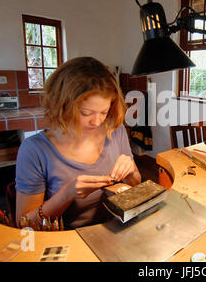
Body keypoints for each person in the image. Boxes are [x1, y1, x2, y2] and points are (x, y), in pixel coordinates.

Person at [15, 57, 141, 230]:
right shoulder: (34, 150)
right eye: (86, 113)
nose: (97, 121)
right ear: (62, 106)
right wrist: (67, 194)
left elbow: (135, 184)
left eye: (103, 112)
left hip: (117, 229)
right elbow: (25, 225)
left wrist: (131, 172)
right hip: (70, 241)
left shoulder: (114, 130)